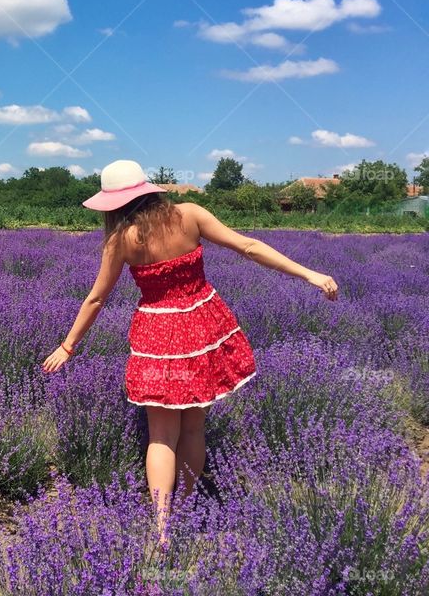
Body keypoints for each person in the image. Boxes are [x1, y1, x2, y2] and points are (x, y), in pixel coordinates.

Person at [41, 159, 338, 547]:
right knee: (194, 427)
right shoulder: (190, 215)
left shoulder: (121, 240)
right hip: (202, 329)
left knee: (161, 436)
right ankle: (183, 508)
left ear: (113, 203)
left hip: (157, 336)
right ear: (149, 189)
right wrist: (309, 274)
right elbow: (248, 246)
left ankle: (162, 529)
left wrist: (68, 346)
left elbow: (97, 298)